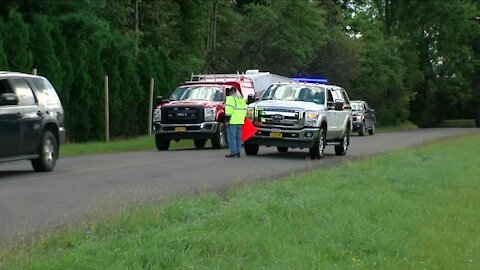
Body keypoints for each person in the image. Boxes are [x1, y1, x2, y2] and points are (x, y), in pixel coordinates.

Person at [224, 86, 247, 157]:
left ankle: (233, 151)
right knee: (238, 137)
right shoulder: (242, 100)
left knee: (231, 137)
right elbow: (245, 110)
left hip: (232, 121)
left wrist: (227, 120)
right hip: (240, 121)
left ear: (230, 92)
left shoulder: (230, 99)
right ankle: (238, 151)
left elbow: (228, 111)